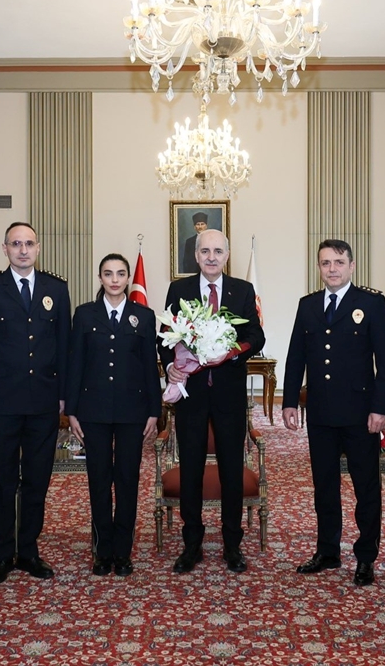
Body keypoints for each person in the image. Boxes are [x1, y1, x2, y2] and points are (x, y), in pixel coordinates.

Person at [281, 239, 385, 586]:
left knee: (366, 489)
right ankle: (327, 550)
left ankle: (366, 556)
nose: (332, 269)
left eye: (339, 262)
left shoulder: (371, 303)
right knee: (324, 487)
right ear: (319, 267)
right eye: (326, 263)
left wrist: (381, 408)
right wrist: (289, 401)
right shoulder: (308, 305)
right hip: (321, 414)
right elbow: (296, 356)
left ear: (352, 266)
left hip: (361, 415)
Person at [0, 222, 71, 584]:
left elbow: (64, 345)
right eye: (16, 244)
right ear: (5, 249)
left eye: (29, 243)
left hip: (43, 400)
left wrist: (64, 394)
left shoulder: (56, 289)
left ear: (38, 248)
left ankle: (28, 550)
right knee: (3, 479)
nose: (23, 250)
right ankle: (3, 553)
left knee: (37, 480)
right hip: (1, 401)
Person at [160, 228, 265, 574]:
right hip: (191, 396)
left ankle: (232, 543)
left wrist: (232, 352)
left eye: (218, 251)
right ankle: (192, 543)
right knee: (190, 468)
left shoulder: (243, 290)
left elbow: (256, 335)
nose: (211, 257)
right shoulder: (179, 290)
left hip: (228, 394)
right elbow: (164, 337)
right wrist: (170, 367)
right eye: (205, 251)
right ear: (196, 255)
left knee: (231, 469)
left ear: (227, 255)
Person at [65, 254, 161, 577]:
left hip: (133, 411)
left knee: (127, 480)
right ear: (100, 278)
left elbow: (150, 366)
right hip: (93, 410)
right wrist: (72, 411)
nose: (115, 280)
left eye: (121, 274)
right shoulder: (84, 314)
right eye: (108, 274)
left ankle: (123, 551)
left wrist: (154, 410)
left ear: (128, 278)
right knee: (99, 479)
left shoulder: (143, 316)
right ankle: (102, 550)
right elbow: (75, 363)